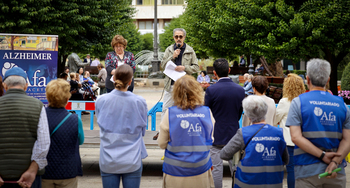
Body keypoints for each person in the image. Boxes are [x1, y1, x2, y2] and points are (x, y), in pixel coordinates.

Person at [286, 59, 350, 187]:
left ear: (307, 79)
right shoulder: (342, 105)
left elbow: (295, 137)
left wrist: (322, 155)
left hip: (306, 171)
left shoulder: (298, 102)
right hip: (335, 172)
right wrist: (334, 162)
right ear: (328, 80)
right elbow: (347, 140)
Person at [157, 75, 215, 188]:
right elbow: (210, 139)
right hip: (201, 168)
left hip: (175, 170)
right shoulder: (206, 112)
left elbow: (162, 143)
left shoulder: (170, 113)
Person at [96, 64, 148, 188]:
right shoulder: (139, 101)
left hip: (108, 158)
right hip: (132, 158)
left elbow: (100, 121)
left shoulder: (101, 100)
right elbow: (143, 131)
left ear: (113, 79)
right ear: (130, 81)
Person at [220, 95, 289, 187]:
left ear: (248, 115)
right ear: (265, 111)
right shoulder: (278, 133)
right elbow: (286, 160)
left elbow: (224, 154)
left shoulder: (243, 133)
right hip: (273, 183)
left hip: (247, 183)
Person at [0, 67, 50, 188]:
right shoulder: (38, 106)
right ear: (26, 86)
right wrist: (32, 170)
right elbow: (43, 143)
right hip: (29, 180)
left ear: (4, 86)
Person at [204, 58, 245, 188]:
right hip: (234, 133)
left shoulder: (211, 90)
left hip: (216, 134)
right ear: (229, 70)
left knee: (216, 169)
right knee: (235, 168)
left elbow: (206, 112)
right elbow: (240, 112)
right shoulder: (240, 90)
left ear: (214, 73)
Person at [41, 79, 84, 188]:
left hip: (44, 171)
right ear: (67, 98)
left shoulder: (39, 117)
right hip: (67, 171)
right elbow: (81, 140)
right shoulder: (74, 119)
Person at [274, 73, 305, 188]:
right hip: (303, 141)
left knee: (290, 169)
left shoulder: (284, 102)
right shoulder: (304, 101)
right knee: (300, 169)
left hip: (288, 140)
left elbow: (275, 119)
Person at [160, 28, 199, 120]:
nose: (178, 38)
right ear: (173, 37)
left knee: (185, 109)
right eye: (176, 36)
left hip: (185, 86)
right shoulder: (169, 50)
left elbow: (196, 67)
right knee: (165, 109)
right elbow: (162, 66)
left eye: (180, 36)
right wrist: (172, 56)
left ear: (184, 37)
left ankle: (183, 132)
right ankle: (162, 133)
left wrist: (184, 68)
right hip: (171, 85)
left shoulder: (190, 50)